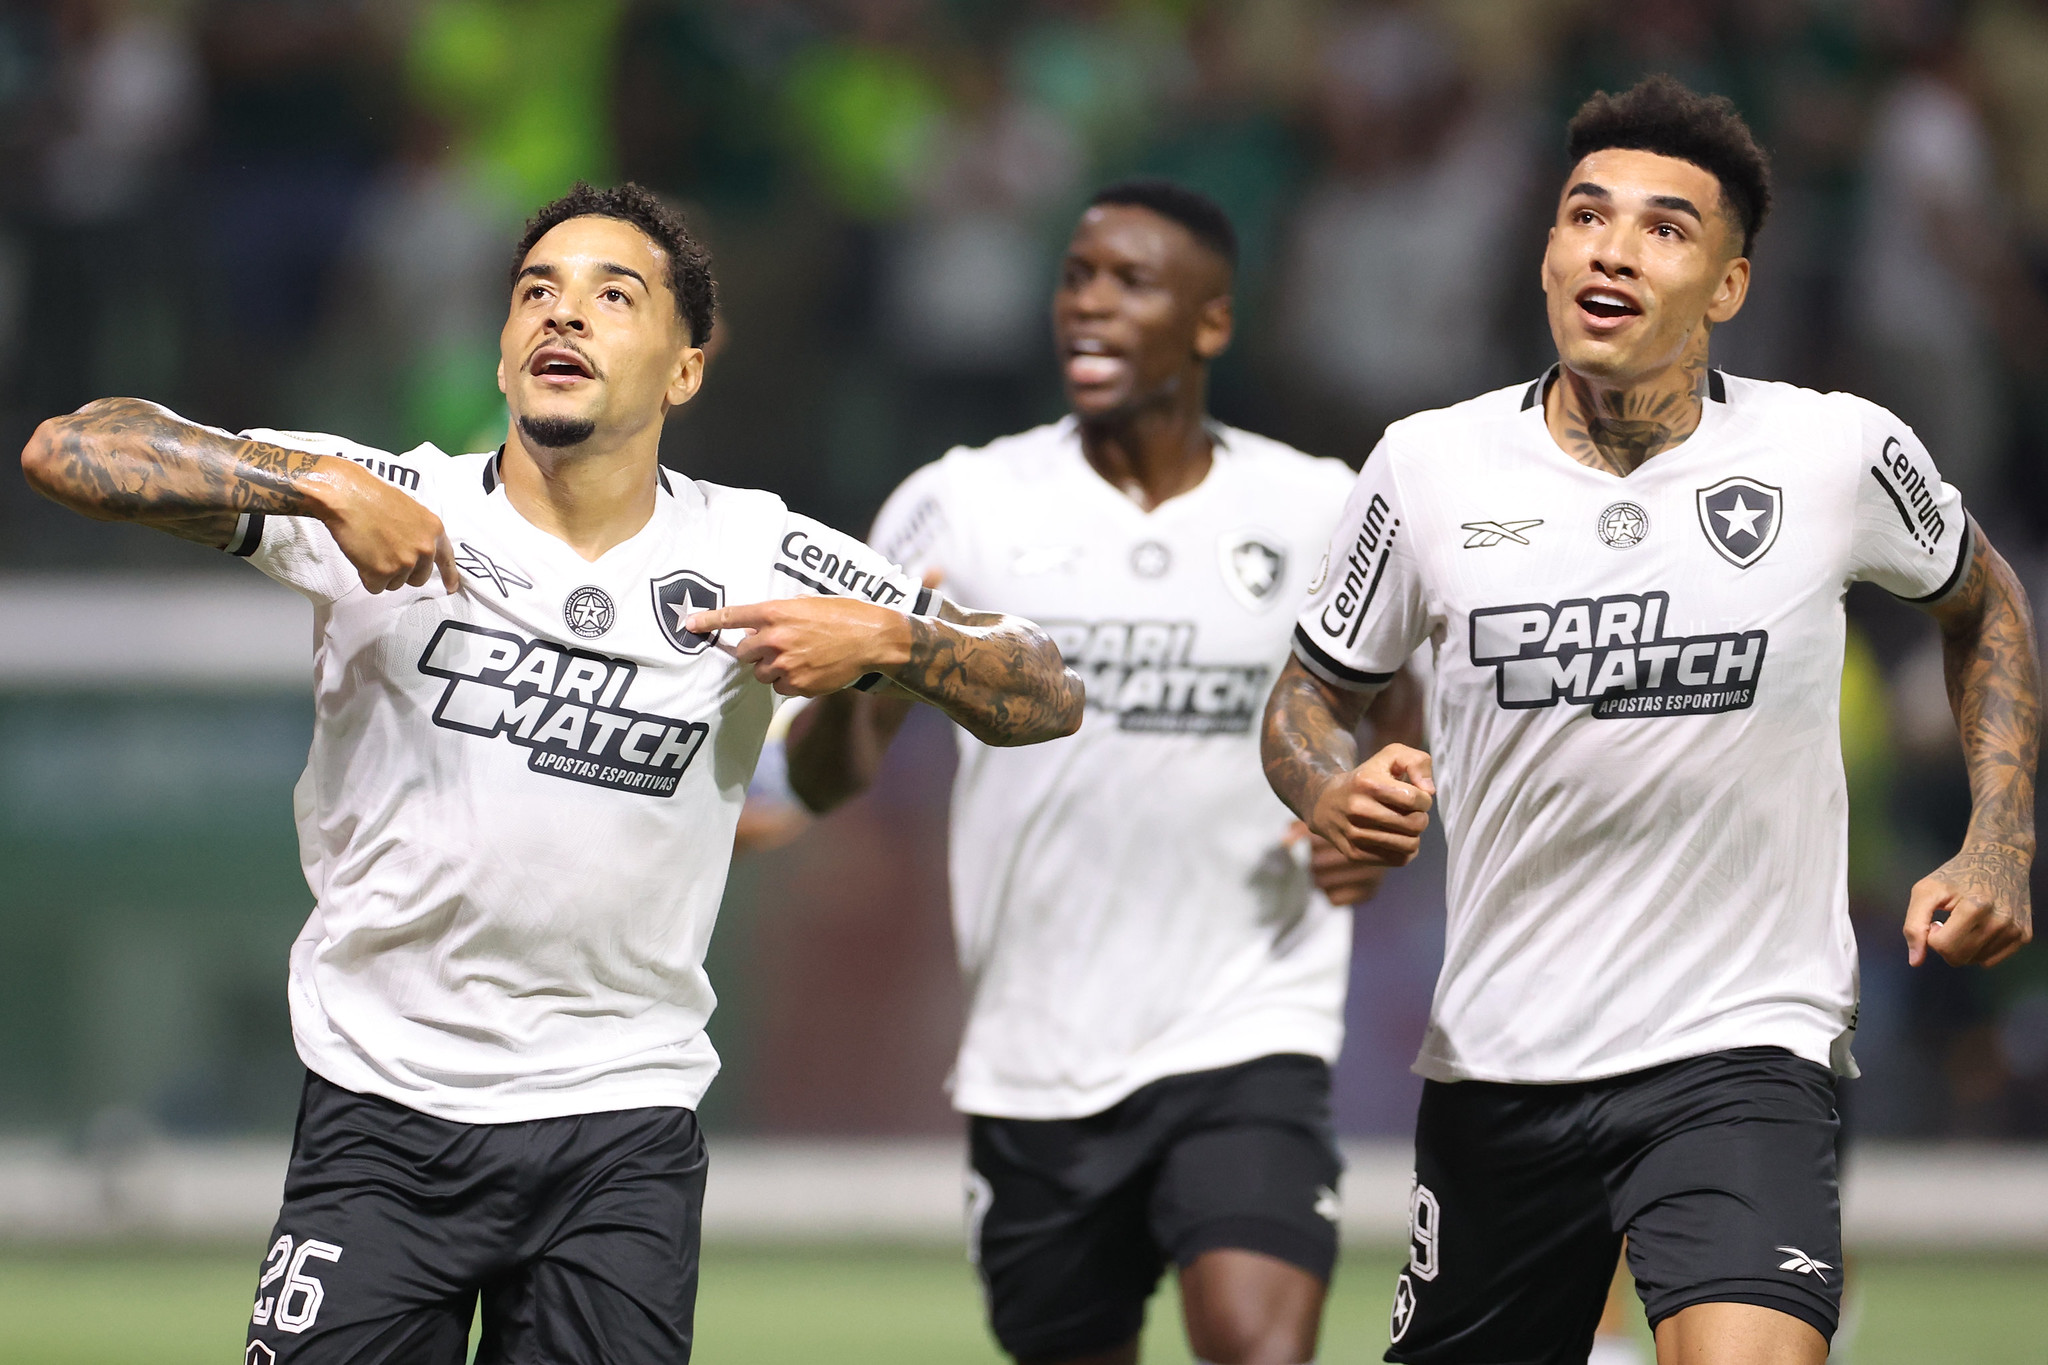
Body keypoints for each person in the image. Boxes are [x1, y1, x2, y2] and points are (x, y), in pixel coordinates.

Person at [19, 181, 1083, 1365]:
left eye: (611, 296)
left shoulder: (762, 552)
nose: (561, 315)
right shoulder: (382, 496)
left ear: (683, 368)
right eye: (536, 292)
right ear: (502, 350)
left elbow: (1044, 692)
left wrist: (899, 643)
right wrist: (309, 487)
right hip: (382, 1109)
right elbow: (71, 447)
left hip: (617, 1128)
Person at [1261, 76, 2037, 1365]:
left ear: (1726, 285)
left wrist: (1997, 837)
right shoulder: (1423, 468)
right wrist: (1327, 787)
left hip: (1741, 1047)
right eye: (1584, 216)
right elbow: (1305, 697)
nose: (1612, 247)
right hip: (1499, 1065)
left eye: (1664, 227)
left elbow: (1986, 599)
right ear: (1549, 249)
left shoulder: (1831, 454)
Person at [784, 179, 1417, 1365]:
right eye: (1075, 278)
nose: (1087, 305)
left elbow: (1392, 712)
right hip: (1036, 1054)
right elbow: (828, 777)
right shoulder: (957, 505)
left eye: (1129, 283)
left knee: (1257, 1345)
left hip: (1247, 1019)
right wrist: (872, 669)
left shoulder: (1320, 506)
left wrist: (1361, 814)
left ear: (1211, 323)